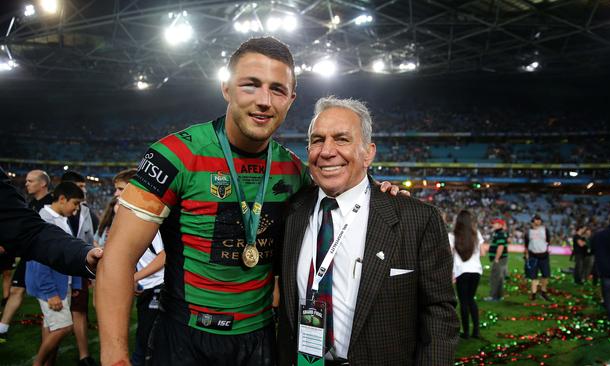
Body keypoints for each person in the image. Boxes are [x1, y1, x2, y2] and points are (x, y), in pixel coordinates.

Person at [96, 37, 402, 366]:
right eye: (251, 85)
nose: (264, 101)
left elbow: (346, 204)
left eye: (277, 90)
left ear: (291, 100)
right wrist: (115, 358)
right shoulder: (174, 155)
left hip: (260, 341)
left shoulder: (295, 172)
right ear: (226, 88)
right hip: (183, 337)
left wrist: (381, 194)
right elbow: (117, 258)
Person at [277, 96, 458, 365]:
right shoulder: (291, 212)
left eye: (341, 139)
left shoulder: (417, 219)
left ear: (368, 153)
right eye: (317, 140)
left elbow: (439, 315)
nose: (326, 151)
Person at [26, 181, 85, 366]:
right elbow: (39, 260)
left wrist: (74, 284)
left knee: (50, 326)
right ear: (62, 199)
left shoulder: (61, 219)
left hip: (61, 283)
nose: (76, 209)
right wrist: (50, 292)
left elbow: (67, 255)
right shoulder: (44, 220)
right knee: (64, 327)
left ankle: (47, 364)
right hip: (51, 286)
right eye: (75, 203)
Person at [0, 167, 102, 272]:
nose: (26, 184)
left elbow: (33, 234)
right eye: (80, 186)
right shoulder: (44, 212)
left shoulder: (76, 213)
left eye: (30, 181)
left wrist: (83, 254)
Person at [112, 168, 166, 366]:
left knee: (145, 347)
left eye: (120, 189)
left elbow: (163, 256)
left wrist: (134, 278)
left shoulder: (147, 216)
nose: (116, 194)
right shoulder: (134, 215)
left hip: (158, 288)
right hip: (149, 287)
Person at [1, 169, 54, 341]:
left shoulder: (53, 204)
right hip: (28, 256)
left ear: (43, 184)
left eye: (31, 181)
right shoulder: (29, 204)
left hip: (45, 258)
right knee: (16, 290)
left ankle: (54, 332)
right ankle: (2, 328)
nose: (26, 184)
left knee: (46, 298)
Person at [61, 171, 97, 366]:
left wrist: (90, 274)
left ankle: (84, 355)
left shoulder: (84, 210)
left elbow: (89, 239)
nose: (84, 190)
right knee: (56, 317)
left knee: (80, 310)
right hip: (58, 269)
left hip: (79, 268)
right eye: (80, 186)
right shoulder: (49, 210)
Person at [449, 209, 484, 339]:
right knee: (471, 300)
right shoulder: (476, 234)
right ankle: (476, 331)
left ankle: (467, 333)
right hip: (476, 270)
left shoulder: (453, 236)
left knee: (464, 302)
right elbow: (482, 253)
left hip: (461, 271)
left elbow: (449, 254)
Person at [524, 214, 552, 301]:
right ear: (532, 221)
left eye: (539, 219)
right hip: (533, 256)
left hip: (543, 256)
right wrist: (526, 256)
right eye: (536, 219)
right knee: (533, 277)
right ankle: (533, 295)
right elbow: (526, 245)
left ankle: (543, 293)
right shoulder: (528, 232)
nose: (537, 221)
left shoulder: (545, 230)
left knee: (545, 275)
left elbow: (548, 241)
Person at [485, 218, 508, 302]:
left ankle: (493, 296)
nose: (493, 225)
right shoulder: (498, 233)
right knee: (499, 278)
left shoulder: (500, 234)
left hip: (500, 259)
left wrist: (497, 258)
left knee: (495, 278)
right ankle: (498, 296)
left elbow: (501, 247)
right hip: (501, 259)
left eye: (495, 223)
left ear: (500, 225)